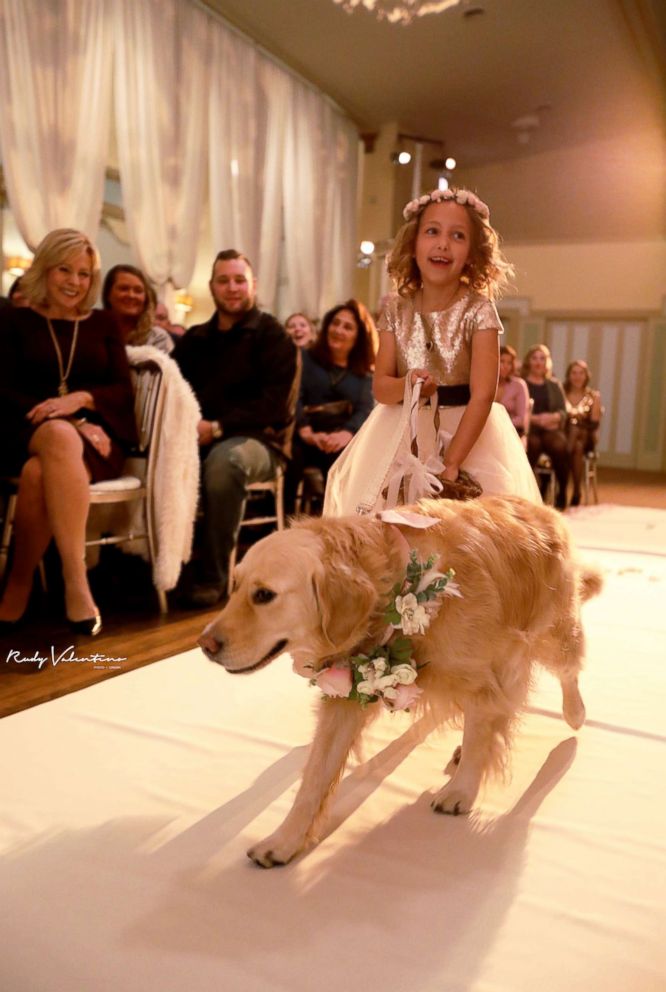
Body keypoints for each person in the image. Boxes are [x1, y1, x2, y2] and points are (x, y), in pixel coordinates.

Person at [325, 188, 540, 516]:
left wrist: (452, 461)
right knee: (389, 528)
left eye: (457, 235)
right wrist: (409, 383)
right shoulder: (397, 311)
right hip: (400, 431)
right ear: (413, 244)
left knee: (462, 535)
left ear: (472, 252)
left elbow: (483, 394)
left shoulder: (479, 310)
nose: (443, 243)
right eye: (432, 231)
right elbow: (382, 387)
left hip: (466, 433)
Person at [0, 229, 137, 635]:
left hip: (94, 440)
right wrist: (61, 420)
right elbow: (2, 389)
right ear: (45, 268)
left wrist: (80, 401)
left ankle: (19, 582)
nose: (74, 282)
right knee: (57, 437)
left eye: (84, 273)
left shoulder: (104, 323)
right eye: (65, 270)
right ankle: (76, 581)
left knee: (38, 473)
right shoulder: (13, 321)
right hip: (21, 429)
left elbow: (121, 391)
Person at [173, 249, 300, 607]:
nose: (232, 288)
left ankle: (214, 576)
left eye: (239, 280)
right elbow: (175, 393)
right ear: (212, 286)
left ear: (253, 285)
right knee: (162, 458)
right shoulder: (195, 340)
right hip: (198, 437)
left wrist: (217, 426)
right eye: (224, 280)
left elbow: (275, 406)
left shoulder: (274, 336)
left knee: (224, 462)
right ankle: (163, 568)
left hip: (262, 442)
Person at [288, 300, 374, 508]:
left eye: (348, 327)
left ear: (358, 336)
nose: (338, 330)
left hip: (338, 438)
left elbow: (364, 410)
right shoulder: (304, 358)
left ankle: (331, 524)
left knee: (344, 461)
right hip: (303, 435)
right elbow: (294, 395)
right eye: (335, 323)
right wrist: (305, 429)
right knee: (292, 455)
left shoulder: (363, 374)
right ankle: (284, 525)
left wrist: (346, 433)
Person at [521, 343, 569, 509]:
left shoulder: (554, 385)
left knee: (559, 445)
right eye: (534, 358)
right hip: (530, 429)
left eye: (542, 358)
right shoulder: (522, 383)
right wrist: (535, 419)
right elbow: (519, 410)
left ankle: (562, 491)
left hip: (550, 428)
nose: (538, 362)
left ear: (547, 362)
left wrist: (552, 417)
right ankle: (530, 494)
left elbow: (563, 411)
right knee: (533, 445)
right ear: (529, 361)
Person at [102, 264, 174, 354]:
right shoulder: (93, 331)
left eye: (138, 291)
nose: (131, 295)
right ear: (108, 294)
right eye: (124, 288)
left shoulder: (157, 337)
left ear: (145, 298)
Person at [564, 359, 602, 507]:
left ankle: (565, 481)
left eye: (581, 373)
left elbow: (594, 424)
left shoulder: (594, 396)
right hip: (566, 436)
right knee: (576, 447)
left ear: (586, 376)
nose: (577, 376)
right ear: (569, 375)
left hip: (587, 435)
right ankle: (577, 490)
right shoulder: (562, 392)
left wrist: (576, 423)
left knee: (577, 435)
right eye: (574, 373)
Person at [496, 344, 530, 438]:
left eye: (509, 363)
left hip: (511, 431)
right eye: (502, 361)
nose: (506, 366)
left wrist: (500, 425)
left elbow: (521, 419)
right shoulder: (485, 384)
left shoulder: (519, 385)